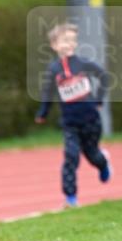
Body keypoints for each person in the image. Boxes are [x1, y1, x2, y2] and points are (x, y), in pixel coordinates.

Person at [35, 22, 111, 208]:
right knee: (71, 156)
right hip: (70, 123)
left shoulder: (83, 63)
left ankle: (103, 164)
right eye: (64, 41)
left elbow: (104, 77)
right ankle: (70, 198)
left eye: (72, 41)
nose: (69, 44)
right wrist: (42, 113)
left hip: (91, 119)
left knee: (92, 155)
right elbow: (48, 93)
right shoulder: (53, 70)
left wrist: (99, 100)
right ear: (54, 45)